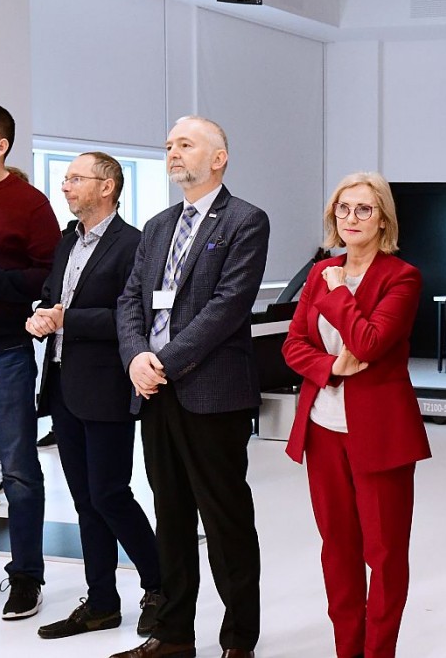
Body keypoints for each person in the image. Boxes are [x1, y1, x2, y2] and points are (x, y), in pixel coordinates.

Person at [115, 116, 269, 658]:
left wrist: (162, 361)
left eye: (185, 144)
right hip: (155, 392)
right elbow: (130, 300)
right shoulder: (157, 225)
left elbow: (227, 307)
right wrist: (136, 357)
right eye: (169, 146)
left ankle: (239, 641)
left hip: (212, 393)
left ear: (218, 158)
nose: (173, 153)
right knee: (171, 517)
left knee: (225, 521)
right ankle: (175, 634)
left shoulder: (245, 221)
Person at [282, 171, 431, 658]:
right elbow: (292, 345)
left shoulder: (401, 277)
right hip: (322, 430)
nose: (351, 218)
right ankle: (347, 649)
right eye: (343, 209)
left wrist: (337, 294)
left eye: (364, 209)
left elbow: (368, 342)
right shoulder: (320, 272)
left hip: (381, 435)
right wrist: (331, 366)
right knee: (337, 548)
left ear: (383, 218)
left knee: (384, 555)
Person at [25, 152, 162, 640]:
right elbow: (51, 294)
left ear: (107, 187)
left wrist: (67, 320)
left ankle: (160, 586)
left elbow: (132, 317)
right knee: (85, 500)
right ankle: (102, 602)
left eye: (75, 178)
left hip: (106, 386)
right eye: (65, 178)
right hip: (63, 384)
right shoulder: (68, 241)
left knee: (110, 494)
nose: (65, 186)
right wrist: (41, 314)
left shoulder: (133, 244)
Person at [0, 102, 61, 619]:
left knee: (18, 471)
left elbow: (48, 275)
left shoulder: (29, 204)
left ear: (0, 145)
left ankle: (26, 577)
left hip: (4, 353)